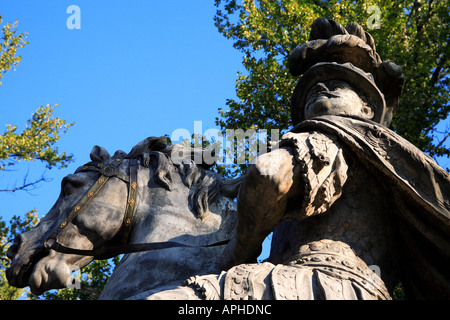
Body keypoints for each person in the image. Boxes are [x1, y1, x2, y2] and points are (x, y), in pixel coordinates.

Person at [218, 19, 450, 300]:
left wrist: (233, 256)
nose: (321, 88)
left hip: (315, 286)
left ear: (366, 110)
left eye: (337, 85)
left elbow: (268, 176)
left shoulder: (333, 136)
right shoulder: (391, 164)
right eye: (313, 88)